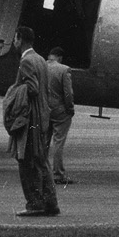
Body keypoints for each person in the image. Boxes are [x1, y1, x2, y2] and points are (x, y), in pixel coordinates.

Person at [5, 25, 59, 217]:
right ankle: (51, 202)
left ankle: (34, 203)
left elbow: (32, 88)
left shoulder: (26, 61)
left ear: (20, 39)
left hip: (31, 119)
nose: (13, 42)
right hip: (43, 116)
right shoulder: (41, 60)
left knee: (26, 161)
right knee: (41, 160)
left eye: (15, 38)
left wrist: (13, 92)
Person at [46, 46, 76, 184]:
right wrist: (70, 108)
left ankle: (41, 173)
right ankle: (58, 174)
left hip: (44, 109)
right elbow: (68, 93)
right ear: (60, 57)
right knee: (58, 142)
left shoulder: (40, 67)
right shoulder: (64, 69)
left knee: (43, 142)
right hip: (60, 111)